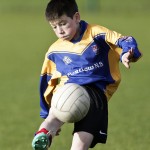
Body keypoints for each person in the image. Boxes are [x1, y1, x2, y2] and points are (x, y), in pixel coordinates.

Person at [31, 0, 142, 150]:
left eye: (63, 23)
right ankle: (45, 131)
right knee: (78, 143)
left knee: (53, 116)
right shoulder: (54, 51)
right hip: (93, 98)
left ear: (76, 17)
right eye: (54, 27)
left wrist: (126, 53)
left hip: (75, 93)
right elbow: (46, 80)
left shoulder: (95, 33)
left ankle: (45, 131)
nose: (59, 31)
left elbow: (123, 40)